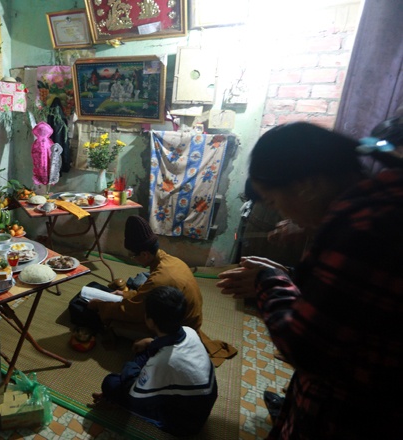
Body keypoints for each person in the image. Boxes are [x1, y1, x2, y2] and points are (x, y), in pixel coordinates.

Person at [218, 121, 403, 439]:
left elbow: (304, 346)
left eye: (273, 201)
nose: (280, 213)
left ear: (309, 185)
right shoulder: (378, 205)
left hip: (348, 416)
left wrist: (268, 281)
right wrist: (288, 273)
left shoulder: (362, 230)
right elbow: (345, 303)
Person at [69, 215, 237, 365]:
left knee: (100, 316)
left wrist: (100, 306)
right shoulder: (171, 261)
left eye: (133, 255)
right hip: (180, 317)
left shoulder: (160, 279)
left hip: (177, 330)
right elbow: (145, 295)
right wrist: (125, 294)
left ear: (145, 254)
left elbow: (131, 312)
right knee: (106, 289)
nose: (133, 259)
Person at [90, 286, 218, 436]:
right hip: (197, 400)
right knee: (146, 350)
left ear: (150, 321)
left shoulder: (164, 361)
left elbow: (134, 396)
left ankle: (117, 402)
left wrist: (129, 367)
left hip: (184, 424)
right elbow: (166, 346)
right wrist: (150, 342)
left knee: (111, 382)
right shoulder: (189, 331)